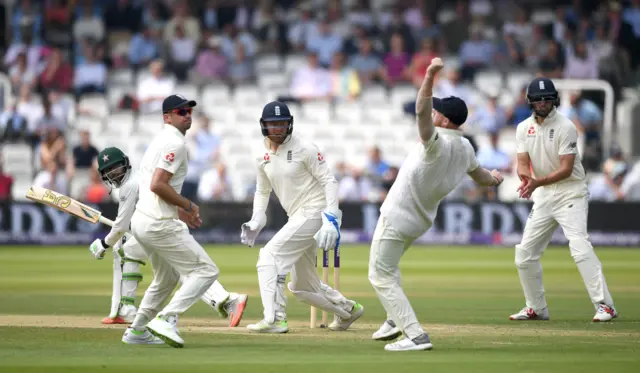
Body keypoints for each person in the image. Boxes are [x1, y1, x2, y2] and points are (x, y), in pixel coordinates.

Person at [368, 58, 504, 352]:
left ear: (443, 120)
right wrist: (494, 180)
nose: (432, 111)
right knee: (389, 268)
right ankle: (394, 320)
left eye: (437, 111)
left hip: (397, 217)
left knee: (379, 275)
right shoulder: (466, 146)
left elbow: (420, 109)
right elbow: (481, 177)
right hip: (419, 221)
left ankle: (415, 335)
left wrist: (429, 74)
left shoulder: (437, 142)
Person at [88, 146, 248, 330]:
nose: (114, 174)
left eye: (116, 168)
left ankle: (125, 309)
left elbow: (121, 225)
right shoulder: (140, 177)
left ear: (125, 164)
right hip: (165, 227)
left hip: (163, 229)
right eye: (109, 171)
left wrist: (103, 244)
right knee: (182, 272)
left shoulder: (129, 186)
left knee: (123, 249)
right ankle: (227, 301)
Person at [240, 101, 364, 333]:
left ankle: (275, 319)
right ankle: (348, 310)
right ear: (263, 126)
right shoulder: (260, 154)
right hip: (296, 215)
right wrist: (257, 219)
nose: (277, 129)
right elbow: (262, 190)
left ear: (289, 124)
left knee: (269, 256)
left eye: (282, 124)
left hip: (314, 212)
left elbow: (329, 182)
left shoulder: (305, 148)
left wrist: (331, 219)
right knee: (303, 287)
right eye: (272, 124)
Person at [511, 77, 617, 322]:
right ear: (530, 102)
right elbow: (523, 162)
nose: (543, 103)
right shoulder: (522, 128)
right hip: (545, 195)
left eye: (547, 99)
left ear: (555, 100)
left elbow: (566, 169)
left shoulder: (565, 126)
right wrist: (527, 179)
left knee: (579, 246)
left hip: (571, 192)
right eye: (538, 100)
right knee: (524, 254)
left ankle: (605, 305)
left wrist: (536, 182)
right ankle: (536, 308)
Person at [121, 95, 220, 348]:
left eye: (189, 111)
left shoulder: (159, 141)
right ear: (167, 116)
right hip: (158, 223)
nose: (187, 115)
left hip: (142, 221)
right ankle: (167, 318)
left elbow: (153, 187)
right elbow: (157, 185)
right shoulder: (175, 143)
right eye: (181, 112)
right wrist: (187, 205)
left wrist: (178, 211)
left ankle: (138, 329)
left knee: (167, 279)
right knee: (206, 271)